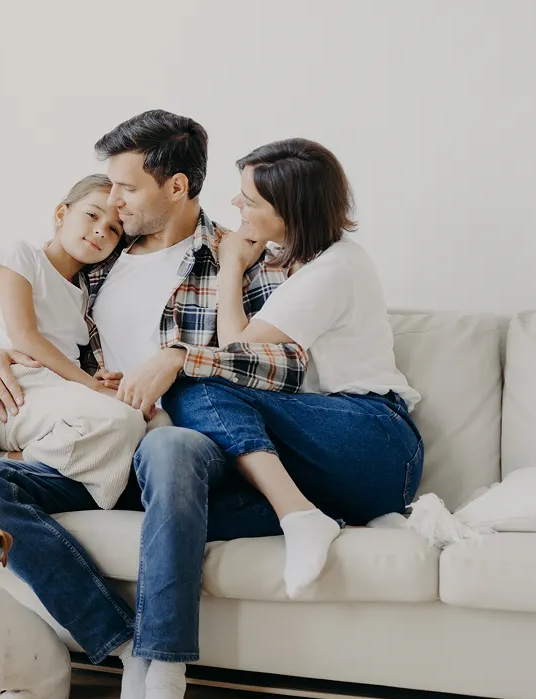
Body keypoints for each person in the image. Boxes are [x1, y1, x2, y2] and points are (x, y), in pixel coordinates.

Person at [0, 110, 308, 699]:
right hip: (96, 449)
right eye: (108, 188)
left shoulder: (241, 256)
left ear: (176, 187)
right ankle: (124, 651)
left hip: (185, 450)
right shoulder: (101, 254)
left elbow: (284, 365)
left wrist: (179, 358)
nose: (112, 202)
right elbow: (14, 304)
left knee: (166, 446)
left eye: (126, 187)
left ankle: (166, 680)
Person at [162, 138, 424, 598]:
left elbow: (235, 349)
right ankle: (329, 515)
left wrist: (230, 265)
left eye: (250, 200)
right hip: (343, 462)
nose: (235, 203)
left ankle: (298, 516)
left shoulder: (333, 269)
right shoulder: (299, 263)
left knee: (194, 383)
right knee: (180, 507)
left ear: (290, 214)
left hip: (375, 438)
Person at [0, 173, 156, 510]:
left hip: (63, 391)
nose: (101, 230)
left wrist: (97, 379)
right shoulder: (21, 255)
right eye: (92, 215)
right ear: (62, 214)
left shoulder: (85, 293)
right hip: (21, 390)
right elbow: (24, 337)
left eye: (114, 229)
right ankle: (16, 460)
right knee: (123, 420)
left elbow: (69, 352)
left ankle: (71, 478)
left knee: (156, 420)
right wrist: (92, 387)